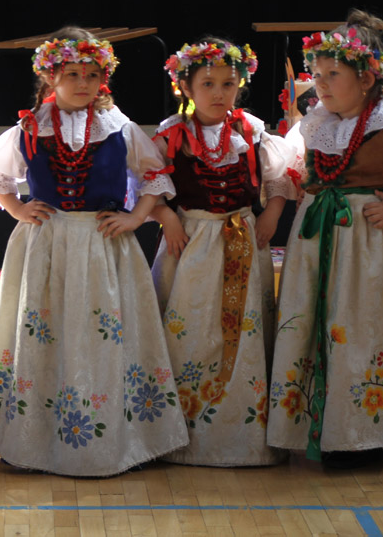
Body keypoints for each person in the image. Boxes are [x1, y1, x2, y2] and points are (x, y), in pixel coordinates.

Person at [0, 27, 188, 476]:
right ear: (49, 77)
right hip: (48, 243)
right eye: (72, 73)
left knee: (101, 332)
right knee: (47, 331)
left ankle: (114, 437)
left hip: (102, 246)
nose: (83, 83)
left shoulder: (119, 128)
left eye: (92, 75)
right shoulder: (30, 128)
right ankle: (35, 437)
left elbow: (154, 176)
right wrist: (17, 208)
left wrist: (136, 217)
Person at [267, 10, 383, 468]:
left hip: (368, 245)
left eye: (333, 75)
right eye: (317, 75)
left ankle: (363, 436)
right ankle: (314, 424)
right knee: (313, 325)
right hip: (317, 240)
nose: (321, 84)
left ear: (367, 79)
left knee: (361, 329)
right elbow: (288, 170)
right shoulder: (315, 123)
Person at [149, 39, 297, 466]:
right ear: (186, 87)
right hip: (190, 242)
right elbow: (146, 184)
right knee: (190, 329)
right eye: (208, 84)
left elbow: (279, 179)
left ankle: (242, 436)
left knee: (243, 332)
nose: (218, 93)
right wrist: (167, 216)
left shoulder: (251, 130)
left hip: (242, 239)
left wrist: (271, 215)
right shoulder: (172, 134)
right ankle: (182, 435)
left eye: (228, 84)